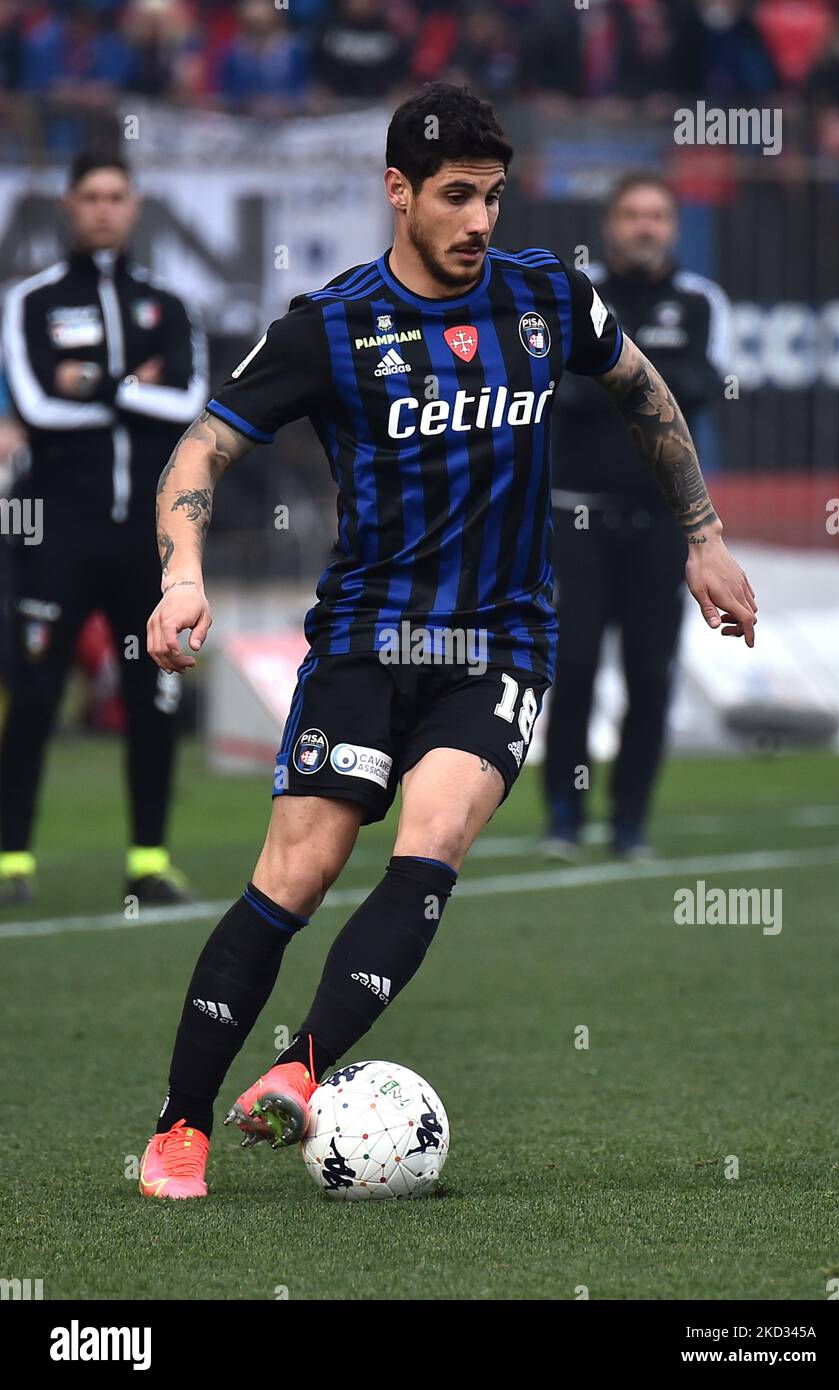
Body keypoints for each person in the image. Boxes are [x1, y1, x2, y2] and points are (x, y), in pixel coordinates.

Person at [137, 83, 756, 1200]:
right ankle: (178, 1128)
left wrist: (701, 536)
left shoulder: (545, 297)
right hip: (366, 641)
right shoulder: (330, 325)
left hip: (501, 641)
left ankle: (299, 1067)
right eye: (457, 197)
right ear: (397, 192)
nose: (480, 221)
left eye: (494, 197)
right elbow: (199, 453)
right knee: (299, 867)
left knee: (430, 842)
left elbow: (642, 388)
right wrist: (183, 573)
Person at [0, 152, 208, 906]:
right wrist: (134, 384)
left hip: (140, 542)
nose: (102, 209)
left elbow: (190, 399)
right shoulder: (31, 300)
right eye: (89, 196)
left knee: (155, 692)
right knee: (34, 692)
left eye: (116, 196)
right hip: (55, 532)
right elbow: (36, 403)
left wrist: (91, 379)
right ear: (67, 204)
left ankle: (149, 862)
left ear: (136, 203)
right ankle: (11, 859)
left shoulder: (170, 304)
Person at [542, 172, 733, 859]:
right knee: (576, 667)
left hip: (662, 522)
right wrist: (653, 380)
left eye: (657, 215)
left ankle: (630, 823)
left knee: (652, 675)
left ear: (674, 226)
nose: (644, 227)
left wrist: (616, 378)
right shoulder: (575, 299)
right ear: (610, 223)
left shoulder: (699, 301)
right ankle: (564, 815)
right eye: (632, 215)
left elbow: (707, 389)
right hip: (576, 515)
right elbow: (559, 395)